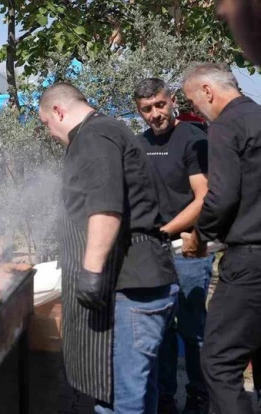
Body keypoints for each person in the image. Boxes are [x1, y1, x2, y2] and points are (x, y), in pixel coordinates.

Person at [39, 82, 178, 413]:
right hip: (139, 279)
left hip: (131, 283)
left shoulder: (94, 136)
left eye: (46, 123)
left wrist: (90, 271)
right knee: (138, 393)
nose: (49, 132)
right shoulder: (107, 131)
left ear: (58, 111)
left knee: (120, 399)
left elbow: (105, 207)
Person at [179, 64, 261, 414]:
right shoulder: (257, 117)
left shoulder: (226, 124)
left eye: (195, 103)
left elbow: (221, 196)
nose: (198, 111)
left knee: (218, 361)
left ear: (209, 91)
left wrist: (199, 236)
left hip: (249, 262)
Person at [134, 78, 212, 414]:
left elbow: (203, 197)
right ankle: (165, 397)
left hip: (187, 248)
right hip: (154, 250)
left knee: (193, 330)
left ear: (172, 100)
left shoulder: (193, 138)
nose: (155, 114)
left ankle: (198, 395)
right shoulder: (138, 145)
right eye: (147, 109)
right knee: (160, 330)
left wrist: (169, 230)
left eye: (160, 105)